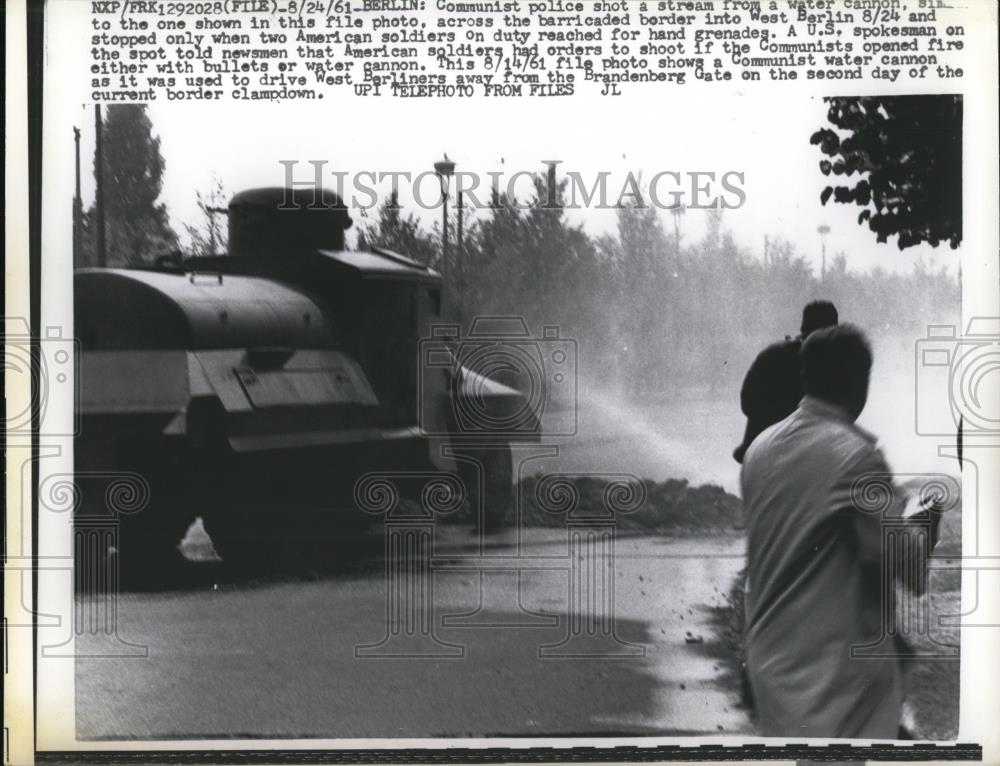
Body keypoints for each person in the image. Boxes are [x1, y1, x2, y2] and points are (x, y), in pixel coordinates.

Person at [741, 325, 939, 738]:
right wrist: (923, 518)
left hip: (773, 672)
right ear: (860, 384)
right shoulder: (854, 457)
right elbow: (910, 568)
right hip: (832, 682)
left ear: (806, 377)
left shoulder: (760, 449)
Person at [733, 300, 839, 463]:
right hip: (789, 457)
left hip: (759, 453)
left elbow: (747, 401)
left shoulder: (772, 353)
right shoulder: (823, 367)